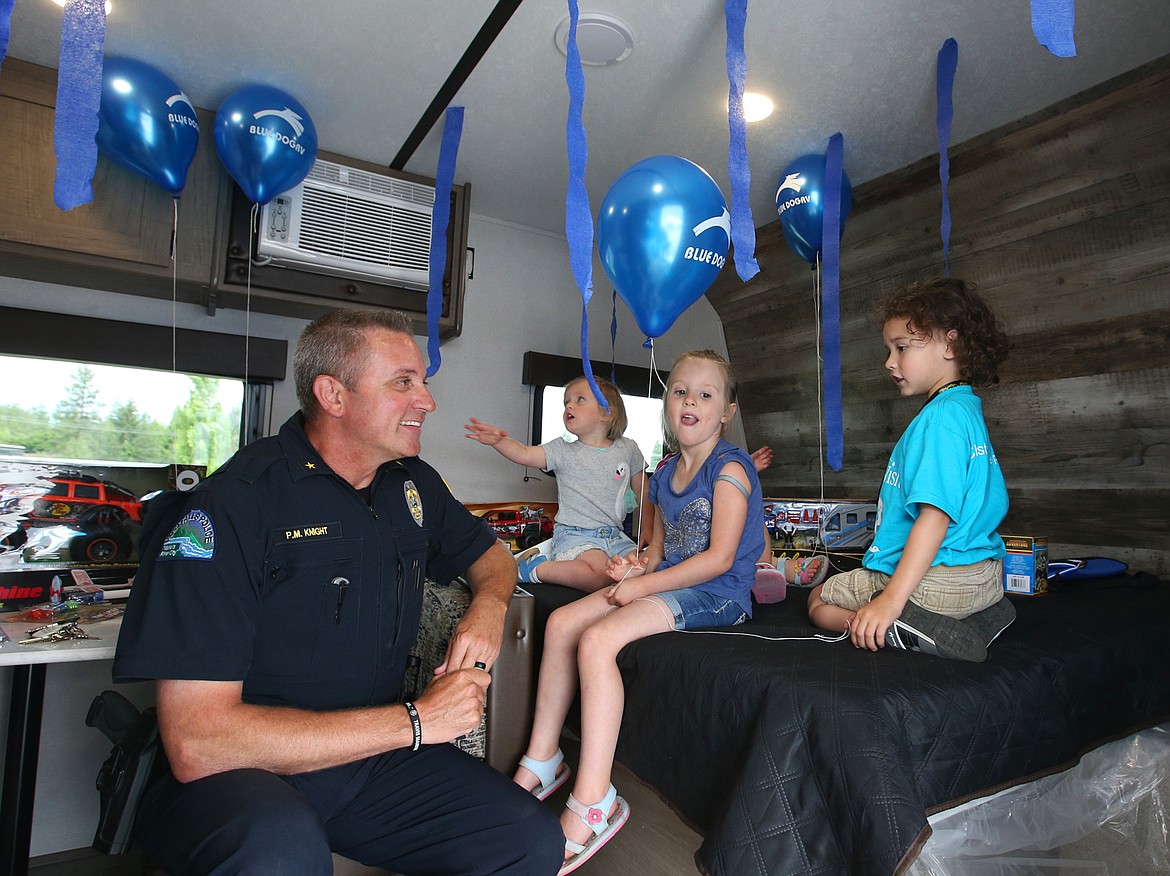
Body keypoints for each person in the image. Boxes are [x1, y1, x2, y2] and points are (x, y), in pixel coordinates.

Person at [112, 309, 563, 876]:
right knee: (280, 849)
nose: (427, 401)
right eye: (404, 382)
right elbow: (198, 742)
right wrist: (419, 723)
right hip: (244, 773)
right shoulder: (233, 506)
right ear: (333, 394)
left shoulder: (411, 482)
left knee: (526, 838)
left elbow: (491, 557)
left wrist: (490, 606)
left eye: (423, 382)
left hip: (368, 763)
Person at [511, 350, 765, 873]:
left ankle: (594, 800)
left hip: (719, 593)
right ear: (667, 405)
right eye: (679, 391)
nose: (689, 401)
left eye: (705, 393)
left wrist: (645, 585)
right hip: (674, 579)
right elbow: (659, 548)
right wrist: (635, 565)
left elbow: (717, 559)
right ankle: (544, 759)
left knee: (599, 640)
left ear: (727, 411)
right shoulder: (667, 471)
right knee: (561, 623)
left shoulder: (730, 469)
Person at [806, 277, 1016, 662]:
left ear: (950, 344)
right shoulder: (966, 409)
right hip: (984, 579)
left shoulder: (938, 421)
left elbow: (934, 518)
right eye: (889, 349)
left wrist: (889, 601)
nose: (890, 361)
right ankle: (982, 616)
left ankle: (893, 629)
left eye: (901, 347)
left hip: (936, 585)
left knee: (820, 598)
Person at [465, 375, 647, 592]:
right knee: (599, 575)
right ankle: (534, 569)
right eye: (566, 402)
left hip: (615, 536)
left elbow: (644, 491)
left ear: (607, 413)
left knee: (647, 567)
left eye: (580, 399)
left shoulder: (628, 449)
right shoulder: (562, 450)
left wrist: (648, 530)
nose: (569, 405)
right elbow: (524, 454)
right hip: (576, 535)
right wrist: (500, 441)